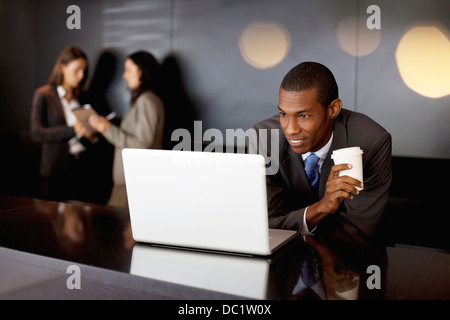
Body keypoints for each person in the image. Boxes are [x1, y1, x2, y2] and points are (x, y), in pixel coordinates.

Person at [249, 61, 392, 237]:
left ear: (333, 109)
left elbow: (357, 230)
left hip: (352, 256)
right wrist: (321, 208)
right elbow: (268, 226)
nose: (291, 129)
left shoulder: (370, 141)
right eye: (284, 114)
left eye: (303, 115)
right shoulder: (263, 138)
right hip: (284, 255)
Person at [89, 51, 165, 208]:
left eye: (129, 70)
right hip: (132, 180)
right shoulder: (147, 100)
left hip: (133, 182)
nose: (124, 75)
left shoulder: (147, 101)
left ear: (142, 72)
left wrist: (107, 129)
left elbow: (143, 145)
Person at [31, 46, 95, 201]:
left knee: (80, 221)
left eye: (84, 71)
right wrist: (73, 130)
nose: (81, 75)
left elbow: (86, 134)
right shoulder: (44, 95)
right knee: (56, 221)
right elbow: (36, 133)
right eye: (77, 70)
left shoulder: (81, 97)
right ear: (62, 67)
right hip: (55, 170)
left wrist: (90, 134)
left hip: (80, 166)